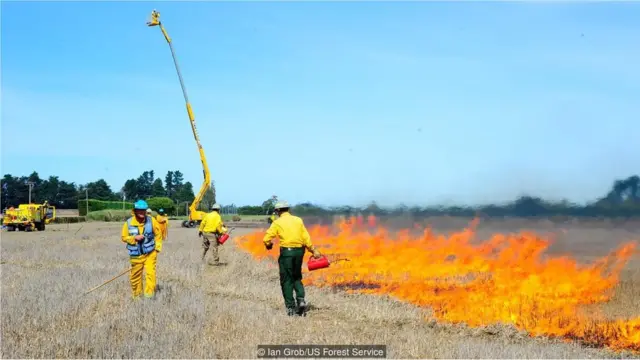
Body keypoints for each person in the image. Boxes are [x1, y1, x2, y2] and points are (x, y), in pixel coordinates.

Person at [263, 200, 322, 316]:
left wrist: (268, 245)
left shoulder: (277, 222)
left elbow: (266, 239)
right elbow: (306, 237)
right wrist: (313, 250)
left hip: (287, 253)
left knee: (286, 280)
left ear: (278, 211)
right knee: (297, 277)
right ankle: (301, 300)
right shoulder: (298, 220)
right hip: (300, 252)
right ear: (288, 209)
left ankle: (290, 308)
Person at [121, 200, 163, 299]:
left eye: (143, 210)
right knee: (135, 277)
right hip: (136, 255)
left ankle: (149, 296)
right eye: (139, 211)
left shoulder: (151, 220)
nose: (141, 213)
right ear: (134, 211)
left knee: (150, 274)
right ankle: (137, 296)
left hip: (150, 253)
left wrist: (157, 249)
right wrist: (134, 238)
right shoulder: (128, 223)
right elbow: (123, 237)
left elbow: (158, 234)